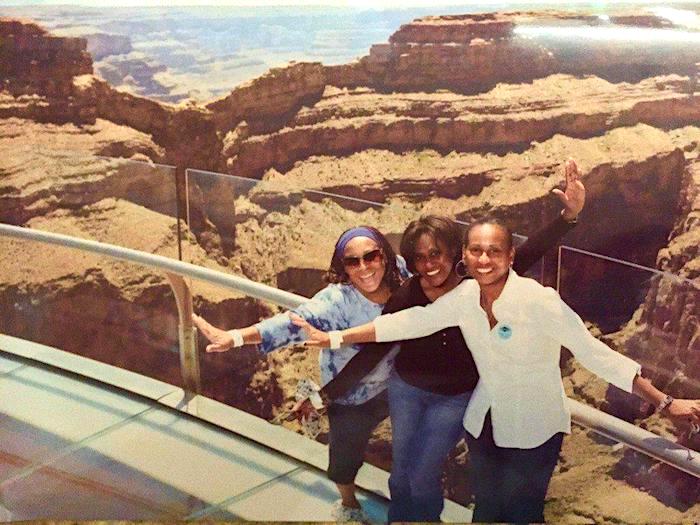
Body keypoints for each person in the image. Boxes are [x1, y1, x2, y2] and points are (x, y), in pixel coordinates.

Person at [293, 219, 700, 523]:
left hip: (534, 428)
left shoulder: (539, 301)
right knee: (485, 509)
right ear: (465, 256)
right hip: (483, 422)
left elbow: (595, 353)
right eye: (476, 251)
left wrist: (664, 401)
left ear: (509, 257)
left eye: (493, 252)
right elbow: (407, 323)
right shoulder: (466, 295)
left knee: (523, 512)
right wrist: (334, 339)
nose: (484, 259)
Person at [297, 160, 585, 522]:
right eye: (419, 257)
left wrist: (567, 217)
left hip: (455, 398)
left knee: (423, 470)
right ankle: (401, 519)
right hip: (408, 390)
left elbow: (525, 254)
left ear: (453, 252)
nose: (429, 264)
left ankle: (426, 519)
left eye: (436, 254)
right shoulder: (408, 294)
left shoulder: (476, 282)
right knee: (402, 468)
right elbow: (375, 349)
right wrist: (327, 395)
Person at [192, 225, 407, 522]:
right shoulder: (337, 302)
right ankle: (348, 504)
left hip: (397, 384)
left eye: (371, 256)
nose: (364, 267)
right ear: (342, 267)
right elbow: (291, 323)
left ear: (384, 256)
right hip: (350, 394)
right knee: (345, 456)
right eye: (352, 261)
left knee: (413, 444)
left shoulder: (401, 277)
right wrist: (235, 337)